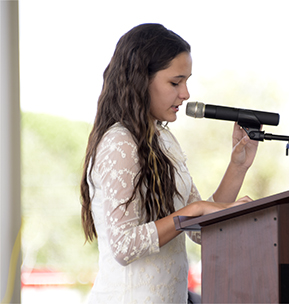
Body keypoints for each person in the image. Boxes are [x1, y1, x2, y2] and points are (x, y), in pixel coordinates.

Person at [80, 23, 259, 303]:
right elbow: (124, 245)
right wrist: (194, 209)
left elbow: (201, 229)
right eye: (175, 82)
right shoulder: (120, 143)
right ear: (140, 79)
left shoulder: (164, 141)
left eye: (186, 81)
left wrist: (238, 165)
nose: (185, 93)